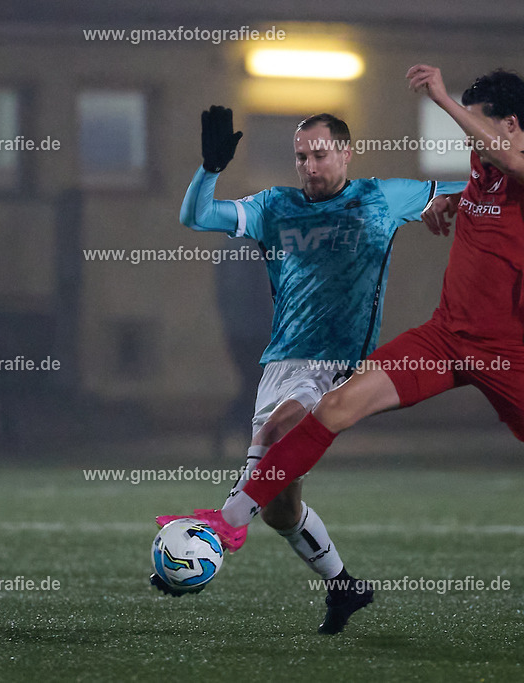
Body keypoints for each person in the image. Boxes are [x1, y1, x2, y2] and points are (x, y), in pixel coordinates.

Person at [167, 65, 524, 647]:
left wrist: (441, 97)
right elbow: (477, 189)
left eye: (477, 126)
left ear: (508, 125)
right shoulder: (479, 174)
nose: (470, 141)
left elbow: (523, 168)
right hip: (443, 341)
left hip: (509, 353)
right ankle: (228, 523)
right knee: (335, 408)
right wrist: (452, 206)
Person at [154, 106, 467, 635]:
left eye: (320, 154)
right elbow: (196, 217)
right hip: (279, 364)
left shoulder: (381, 197)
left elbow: (471, 186)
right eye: (301, 156)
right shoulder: (275, 206)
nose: (310, 165)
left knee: (279, 433)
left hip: (335, 365)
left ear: (345, 152)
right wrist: (209, 167)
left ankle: (220, 531)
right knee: (279, 507)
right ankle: (344, 587)